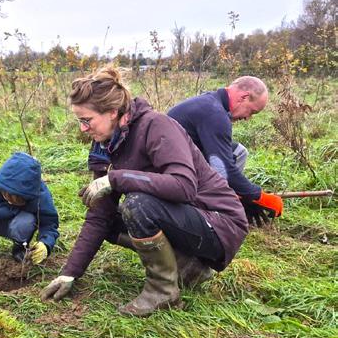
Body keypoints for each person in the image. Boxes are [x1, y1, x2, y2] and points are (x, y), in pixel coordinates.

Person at [40, 68, 248, 316]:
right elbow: (100, 215)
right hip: (184, 218)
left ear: (112, 112)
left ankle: (163, 292)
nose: (83, 129)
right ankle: (188, 268)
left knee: (137, 205)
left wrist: (116, 178)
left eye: (87, 120)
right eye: (80, 121)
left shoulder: (156, 126)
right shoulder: (104, 145)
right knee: (110, 220)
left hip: (219, 223)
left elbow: (184, 186)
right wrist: (70, 273)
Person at [167, 76, 283, 227]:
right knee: (226, 168)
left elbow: (221, 158)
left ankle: (225, 201)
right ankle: (210, 213)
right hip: (170, 172)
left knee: (238, 151)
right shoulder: (215, 115)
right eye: (252, 112)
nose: (248, 118)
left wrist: (240, 193)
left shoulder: (210, 102)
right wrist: (258, 196)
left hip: (179, 158)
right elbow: (223, 170)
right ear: (244, 97)